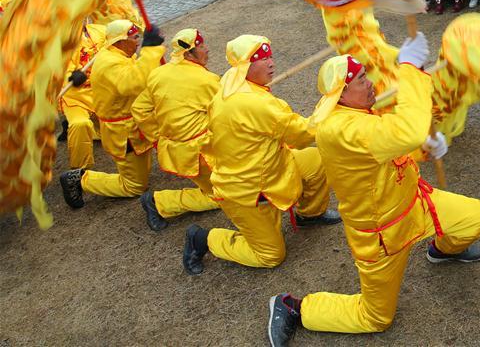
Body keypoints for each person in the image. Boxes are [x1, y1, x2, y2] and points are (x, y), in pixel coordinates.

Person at [266, 39, 480, 344]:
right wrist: (410, 69)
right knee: (375, 317)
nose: (371, 84)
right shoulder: (342, 128)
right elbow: (401, 132)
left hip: (415, 202)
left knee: (476, 216)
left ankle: (441, 250)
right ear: (341, 92)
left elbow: (386, 151)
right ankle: (294, 308)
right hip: (383, 232)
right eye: (362, 80)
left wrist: (423, 148)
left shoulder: (355, 113)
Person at [182, 35, 338, 275]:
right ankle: (202, 238)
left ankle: (311, 214)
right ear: (244, 65)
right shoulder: (254, 103)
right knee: (271, 256)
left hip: (271, 164)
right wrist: (333, 101)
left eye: (269, 56)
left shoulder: (231, 80)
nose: (271, 63)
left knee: (315, 161)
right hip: (248, 189)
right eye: (260, 58)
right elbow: (303, 133)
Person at [58, 20, 166, 208]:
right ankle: (81, 179)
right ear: (119, 42)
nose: (138, 42)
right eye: (134, 38)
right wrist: (151, 50)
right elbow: (133, 83)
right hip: (125, 132)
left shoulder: (111, 45)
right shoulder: (109, 62)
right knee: (135, 186)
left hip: (138, 119)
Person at [131, 29, 220, 231]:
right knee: (223, 196)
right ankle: (159, 202)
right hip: (201, 151)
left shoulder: (157, 74)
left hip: (174, 148)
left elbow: (139, 109)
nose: (207, 50)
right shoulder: (207, 80)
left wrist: (158, 138)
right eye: (202, 47)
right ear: (188, 54)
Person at [59, 21, 107, 170]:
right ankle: (78, 172)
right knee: (80, 124)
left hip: (102, 91)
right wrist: (69, 77)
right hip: (74, 95)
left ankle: (98, 132)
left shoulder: (102, 30)